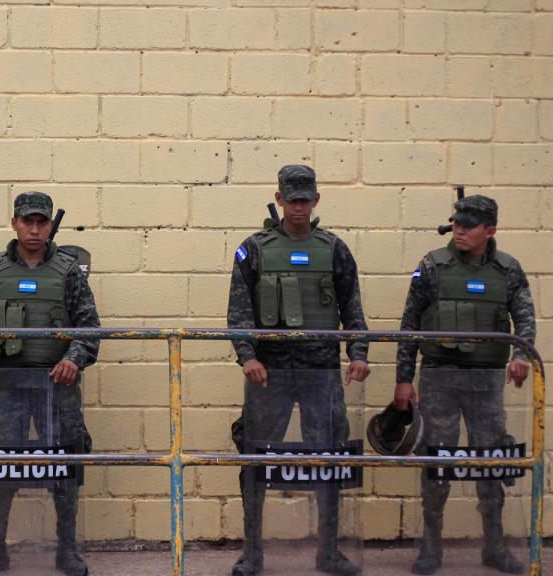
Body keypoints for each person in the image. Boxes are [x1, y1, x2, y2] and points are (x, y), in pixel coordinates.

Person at [227, 165, 370, 576]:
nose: (298, 207)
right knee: (255, 459)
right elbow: (239, 314)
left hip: (321, 371)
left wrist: (358, 353)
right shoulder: (253, 249)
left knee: (329, 458)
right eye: (291, 199)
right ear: (279, 199)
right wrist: (247, 356)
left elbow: (352, 310)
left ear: (316, 200)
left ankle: (328, 551)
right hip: (268, 372)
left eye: (305, 199)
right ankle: (253, 553)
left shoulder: (335, 249)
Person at [0, 191, 99, 576]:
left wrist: (73, 359)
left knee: (63, 467)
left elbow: (90, 330)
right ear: (14, 223)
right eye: (27, 222)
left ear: (50, 226)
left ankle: (66, 549)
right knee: (2, 467)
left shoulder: (69, 271)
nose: (34, 230)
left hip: (57, 388)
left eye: (42, 223)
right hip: (8, 386)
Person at [393, 195, 534, 575]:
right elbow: (410, 324)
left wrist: (521, 355)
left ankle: (494, 547)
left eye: (468, 226)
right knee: (438, 464)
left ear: (489, 231)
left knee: (490, 464)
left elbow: (525, 319)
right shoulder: (432, 266)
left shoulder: (508, 270)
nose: (459, 230)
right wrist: (403, 378)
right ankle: (431, 548)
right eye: (455, 223)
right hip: (439, 377)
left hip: (486, 382)